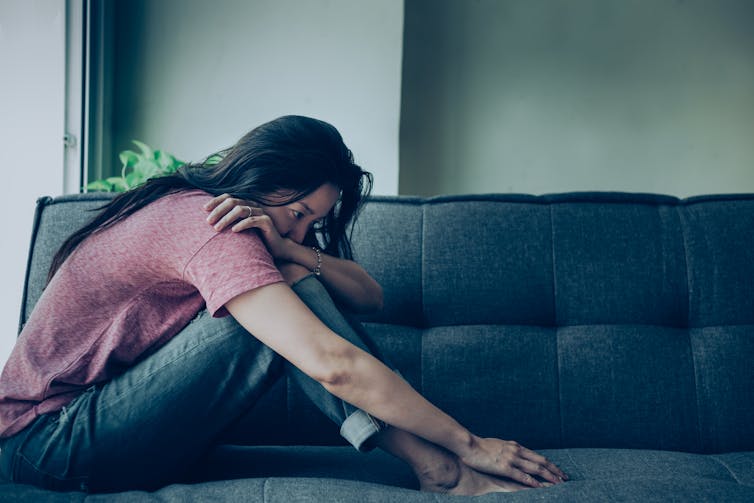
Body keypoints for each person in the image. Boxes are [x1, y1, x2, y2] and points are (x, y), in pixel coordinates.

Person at [0, 115, 567, 494]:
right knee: (286, 304)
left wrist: (289, 247)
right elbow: (332, 363)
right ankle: (440, 468)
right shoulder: (210, 225)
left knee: (298, 277)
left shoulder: (248, 226)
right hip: (49, 446)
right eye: (298, 213)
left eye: (314, 222)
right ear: (266, 178)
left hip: (107, 433)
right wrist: (471, 443)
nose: (302, 229)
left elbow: (372, 296)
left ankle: (437, 469)